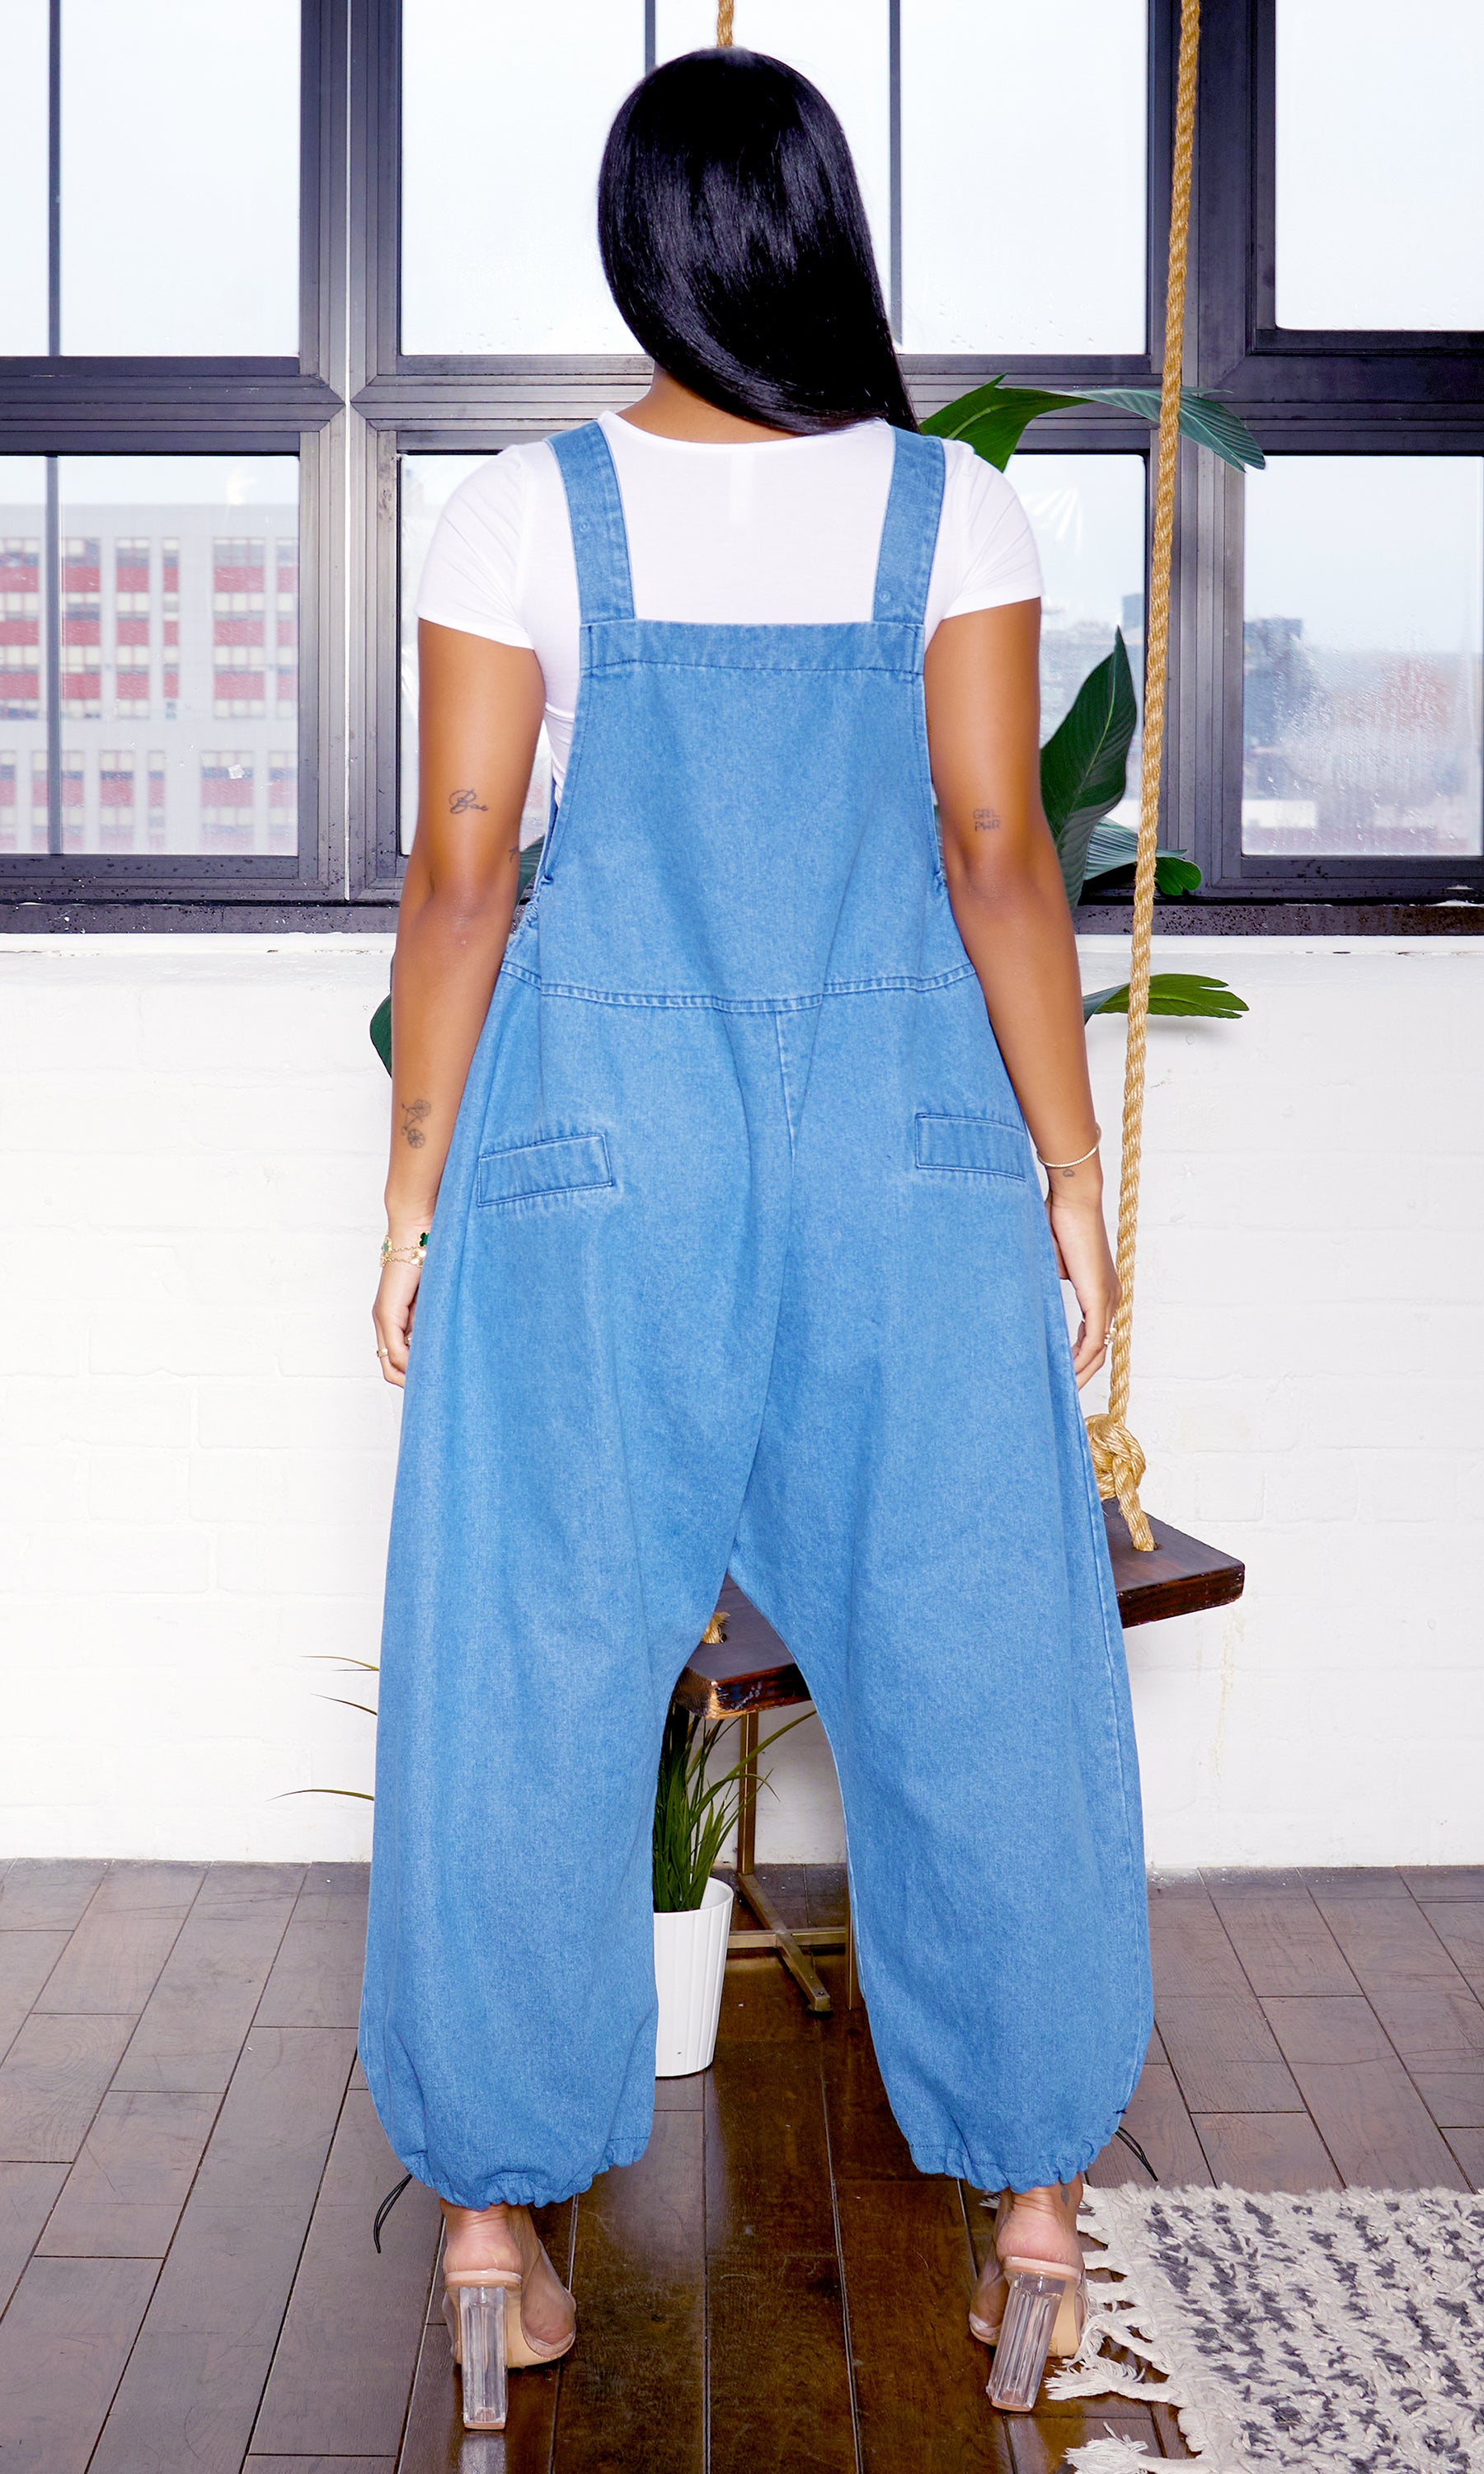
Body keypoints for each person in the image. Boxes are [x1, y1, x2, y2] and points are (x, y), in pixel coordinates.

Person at [359, 45, 1152, 2431]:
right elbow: (1001, 853)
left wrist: (411, 1184)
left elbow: (466, 871)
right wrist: (1070, 1167)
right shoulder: (950, 509)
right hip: (903, 1159)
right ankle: (1034, 2218)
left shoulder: (519, 516)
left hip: (597, 1157)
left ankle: (490, 2242)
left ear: (644, 253)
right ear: (820, 235)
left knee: (527, 1666)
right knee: (981, 1656)